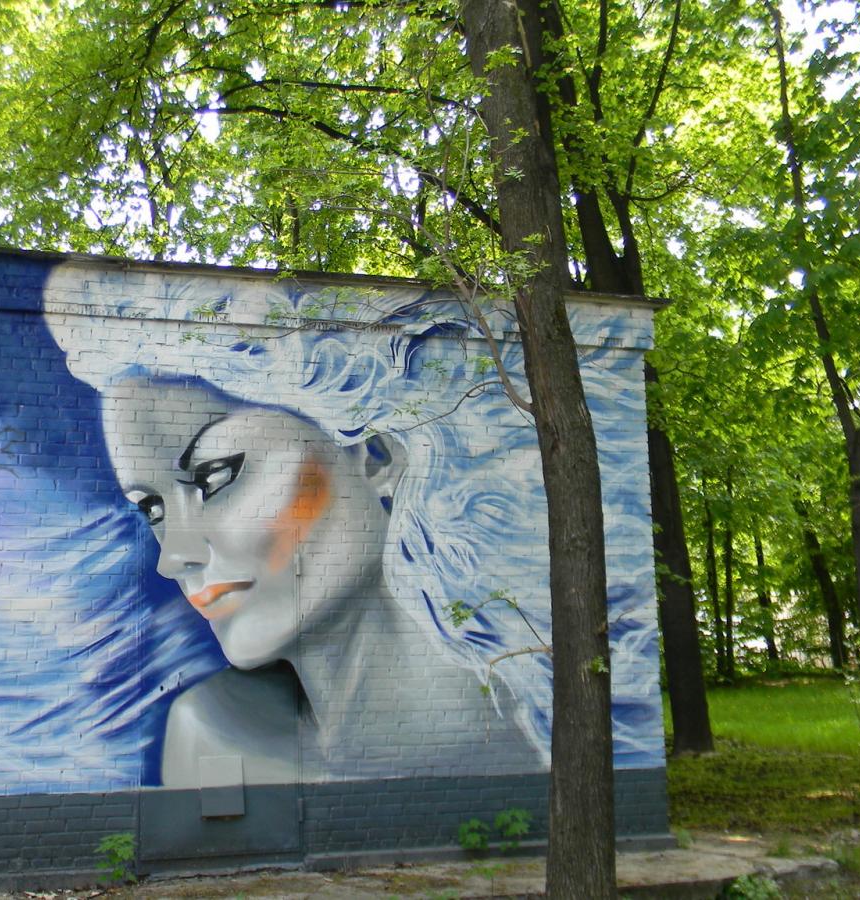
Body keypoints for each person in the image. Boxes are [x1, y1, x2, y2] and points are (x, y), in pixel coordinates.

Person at [45, 266, 549, 787]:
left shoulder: (534, 715)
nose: (175, 556)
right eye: (153, 509)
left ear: (375, 455)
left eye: (216, 479)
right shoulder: (210, 731)